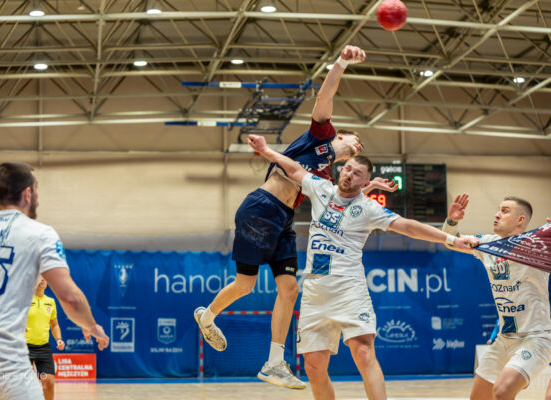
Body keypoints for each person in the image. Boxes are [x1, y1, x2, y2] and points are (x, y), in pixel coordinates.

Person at [194, 44, 372, 389]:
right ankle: (208, 315)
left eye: (360, 147)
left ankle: (274, 363)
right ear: (341, 135)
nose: (358, 145)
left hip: (285, 221)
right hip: (261, 208)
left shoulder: (327, 177)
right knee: (245, 285)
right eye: (355, 140)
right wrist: (341, 63)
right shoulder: (320, 136)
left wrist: (371, 186)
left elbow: (345, 202)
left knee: (289, 290)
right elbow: (325, 95)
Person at [247, 134, 476, 400]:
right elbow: (294, 168)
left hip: (349, 290)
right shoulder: (321, 188)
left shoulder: (369, 209)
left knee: (364, 353)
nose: (349, 174)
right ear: (341, 169)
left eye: (357, 174)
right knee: (314, 366)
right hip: (315, 292)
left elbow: (409, 227)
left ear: (365, 182)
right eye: (348, 169)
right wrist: (266, 150)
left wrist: (450, 239)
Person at [0, 162, 109, 400]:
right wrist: (90, 325)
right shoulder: (39, 233)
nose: (38, 197)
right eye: (36, 189)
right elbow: (70, 298)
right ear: (28, 194)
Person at [442, 194, 551, 400]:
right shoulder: (488, 243)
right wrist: (452, 221)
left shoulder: (538, 245)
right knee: (479, 397)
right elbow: (451, 242)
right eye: (498, 209)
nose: (497, 214)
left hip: (535, 337)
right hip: (504, 338)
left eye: (505, 211)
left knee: (502, 391)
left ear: (520, 220)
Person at [26, 278, 64, 400]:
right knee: (22, 384)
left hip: (43, 348)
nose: (42, 279)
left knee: (48, 382)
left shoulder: (50, 301)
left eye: (44, 277)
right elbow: (13, 318)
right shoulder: (24, 300)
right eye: (39, 277)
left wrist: (59, 339)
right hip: (24, 348)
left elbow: (54, 325)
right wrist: (20, 326)